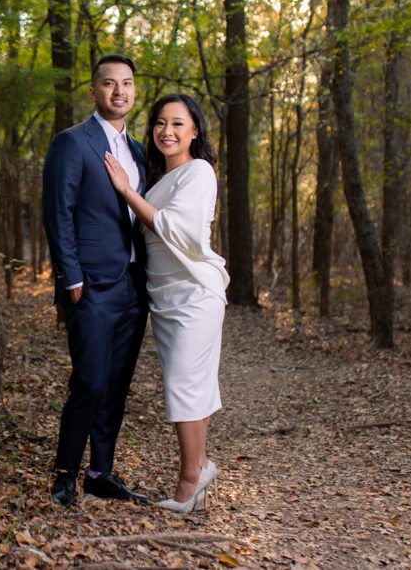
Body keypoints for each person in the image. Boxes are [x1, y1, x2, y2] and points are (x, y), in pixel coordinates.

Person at [103, 93, 229, 512]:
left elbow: (176, 229)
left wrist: (125, 192)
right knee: (192, 385)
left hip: (194, 293)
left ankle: (190, 480)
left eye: (177, 123)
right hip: (166, 296)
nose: (167, 131)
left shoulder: (200, 172)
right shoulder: (158, 179)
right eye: (160, 122)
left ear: (195, 130)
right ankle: (201, 465)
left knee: (183, 387)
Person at [42, 54, 152, 507]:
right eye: (109, 84)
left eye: (126, 83)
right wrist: (69, 275)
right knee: (89, 379)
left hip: (132, 284)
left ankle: (100, 472)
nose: (119, 91)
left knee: (117, 382)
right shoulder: (72, 142)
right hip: (88, 285)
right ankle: (65, 475)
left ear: (134, 90)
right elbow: (57, 213)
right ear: (93, 91)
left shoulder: (141, 151)